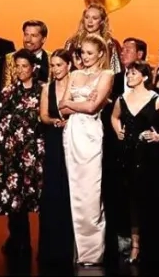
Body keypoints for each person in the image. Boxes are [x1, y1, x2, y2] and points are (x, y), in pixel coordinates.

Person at [110, 61, 159, 268]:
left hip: (149, 158)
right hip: (128, 155)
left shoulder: (155, 99)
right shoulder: (122, 99)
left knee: (149, 199)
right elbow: (114, 117)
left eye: (133, 73)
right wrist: (118, 130)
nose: (128, 76)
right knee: (131, 201)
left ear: (145, 77)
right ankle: (135, 245)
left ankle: (152, 245)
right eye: (128, 73)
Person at [60, 34, 115, 266]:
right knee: (73, 189)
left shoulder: (107, 74)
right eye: (83, 53)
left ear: (101, 54)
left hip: (91, 134)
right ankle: (76, 249)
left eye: (90, 53)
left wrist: (77, 103)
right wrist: (78, 104)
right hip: (72, 133)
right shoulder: (74, 74)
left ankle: (92, 252)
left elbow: (93, 107)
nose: (85, 57)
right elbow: (62, 107)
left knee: (90, 191)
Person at [0, 50, 45, 260]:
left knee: (33, 198)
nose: (20, 70)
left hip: (34, 153)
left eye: (24, 66)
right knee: (13, 200)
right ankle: (18, 241)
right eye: (17, 66)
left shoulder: (43, 91)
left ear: (33, 68)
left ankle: (37, 244)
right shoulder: (7, 92)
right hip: (10, 155)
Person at [37, 49, 75, 269]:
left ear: (68, 65)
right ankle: (51, 248)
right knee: (52, 191)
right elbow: (43, 115)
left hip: (73, 140)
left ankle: (70, 246)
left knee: (71, 188)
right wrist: (53, 121)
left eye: (59, 65)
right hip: (53, 140)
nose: (55, 69)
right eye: (52, 65)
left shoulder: (76, 85)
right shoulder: (47, 88)